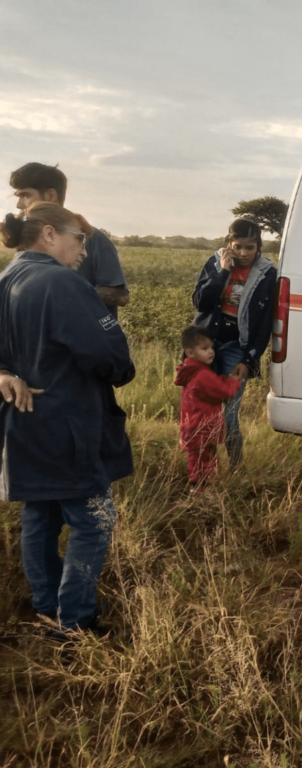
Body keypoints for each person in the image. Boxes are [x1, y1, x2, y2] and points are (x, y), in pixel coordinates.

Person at [0, 203, 135, 636]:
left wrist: (4, 373)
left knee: (40, 514)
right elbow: (106, 354)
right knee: (94, 520)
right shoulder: (62, 282)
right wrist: (121, 367)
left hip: (23, 422)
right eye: (79, 238)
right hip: (66, 421)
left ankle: (46, 605)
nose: (83, 249)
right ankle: (77, 621)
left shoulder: (5, 279)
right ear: (49, 234)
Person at [191, 218, 276, 466]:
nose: (243, 253)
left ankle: (237, 468)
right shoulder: (215, 263)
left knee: (228, 414)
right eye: (238, 246)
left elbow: (264, 323)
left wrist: (249, 359)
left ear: (258, 247)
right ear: (229, 244)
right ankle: (206, 470)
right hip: (207, 345)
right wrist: (224, 271)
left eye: (250, 247)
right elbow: (201, 302)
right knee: (203, 412)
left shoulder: (267, 274)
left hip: (237, 349)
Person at [9, 162, 129, 312]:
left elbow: (120, 295)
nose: (19, 205)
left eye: (25, 195)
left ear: (50, 196)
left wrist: (63, 292)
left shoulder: (92, 236)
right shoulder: (26, 238)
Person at [175, 325, 243, 485]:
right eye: (204, 348)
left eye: (211, 347)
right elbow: (224, 391)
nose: (211, 351)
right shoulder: (203, 375)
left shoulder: (190, 371)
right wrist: (234, 381)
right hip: (202, 428)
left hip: (192, 426)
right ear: (190, 352)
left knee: (196, 461)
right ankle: (201, 492)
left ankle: (197, 488)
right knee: (205, 463)